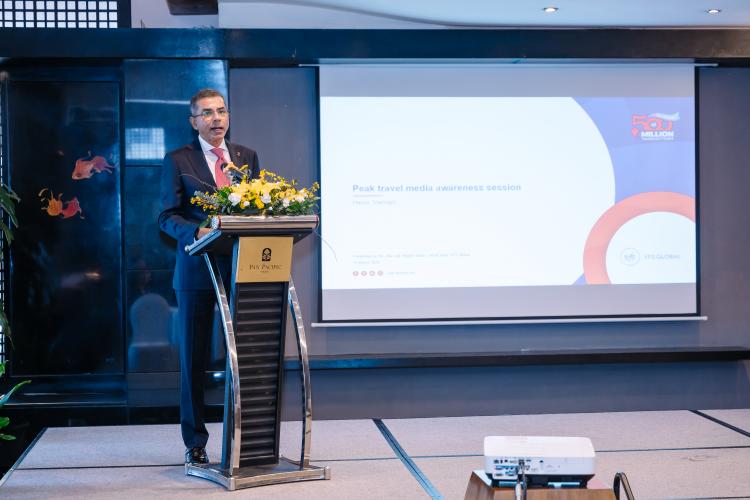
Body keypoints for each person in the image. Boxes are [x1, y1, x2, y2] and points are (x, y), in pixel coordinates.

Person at [158, 89, 260, 465]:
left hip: (243, 268)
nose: (216, 118)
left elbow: (256, 208)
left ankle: (247, 437)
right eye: (207, 113)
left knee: (247, 356)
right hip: (197, 270)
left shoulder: (246, 157)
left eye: (221, 111)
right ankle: (195, 441)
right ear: (194, 121)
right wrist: (197, 231)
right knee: (194, 359)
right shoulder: (178, 159)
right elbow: (166, 216)